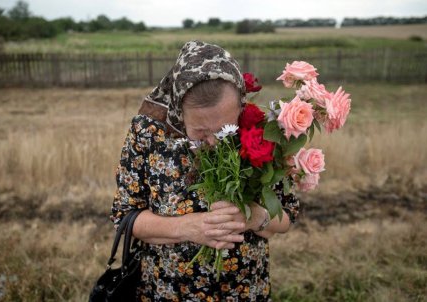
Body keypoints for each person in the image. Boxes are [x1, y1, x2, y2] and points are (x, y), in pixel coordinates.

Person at [110, 40, 300, 301]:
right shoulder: (148, 132)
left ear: (240, 108)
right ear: (179, 112)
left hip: (244, 290)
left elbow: (287, 216)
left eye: (224, 129)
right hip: (168, 291)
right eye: (200, 132)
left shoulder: (259, 131)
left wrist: (256, 218)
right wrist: (189, 228)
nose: (212, 141)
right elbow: (124, 217)